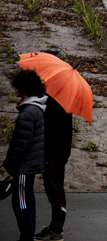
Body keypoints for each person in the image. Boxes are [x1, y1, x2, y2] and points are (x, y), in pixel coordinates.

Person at [3, 69, 46, 241]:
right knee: (28, 200)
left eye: (17, 87)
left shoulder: (28, 113)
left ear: (24, 88)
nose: (15, 90)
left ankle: (26, 236)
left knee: (20, 203)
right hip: (31, 164)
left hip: (24, 166)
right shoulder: (36, 109)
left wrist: (10, 165)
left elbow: (20, 144)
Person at [35, 88, 72, 241]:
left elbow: (53, 133)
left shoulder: (55, 106)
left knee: (55, 193)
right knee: (55, 191)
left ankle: (57, 229)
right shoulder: (62, 104)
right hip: (57, 156)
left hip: (53, 158)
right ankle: (55, 227)